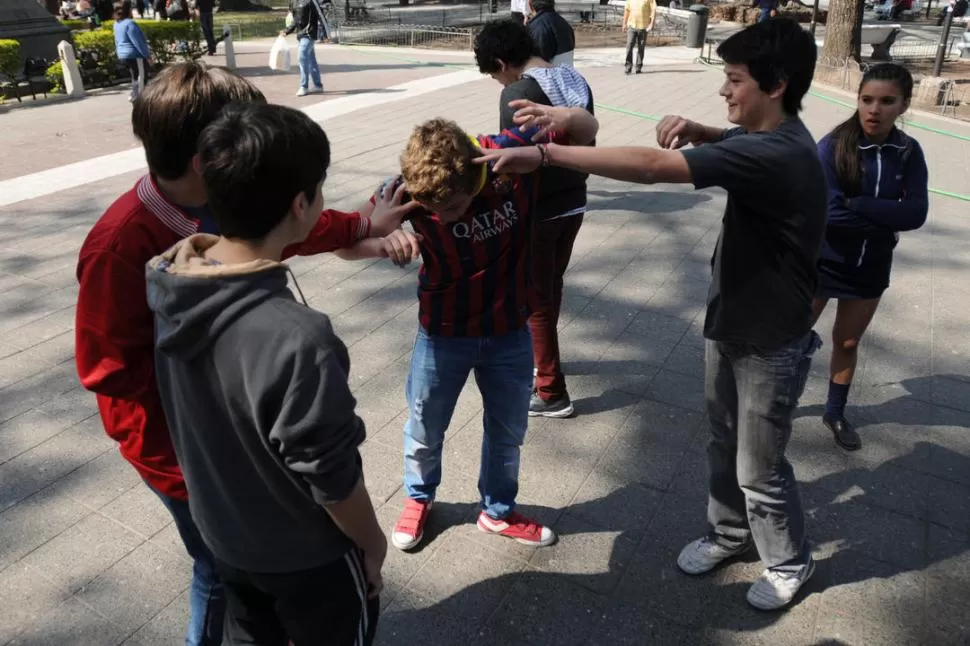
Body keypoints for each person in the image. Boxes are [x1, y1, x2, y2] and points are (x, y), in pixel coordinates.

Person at [475, 18, 825, 610]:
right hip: (732, 317)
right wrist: (705, 129)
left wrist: (546, 152)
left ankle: (790, 561)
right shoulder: (770, 138)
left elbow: (653, 166)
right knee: (723, 441)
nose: (724, 91)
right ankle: (731, 534)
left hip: (771, 338)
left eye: (734, 81)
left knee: (759, 465)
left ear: (776, 85)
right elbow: (735, 142)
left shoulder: (779, 153)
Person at [74, 62, 415, 646]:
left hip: (234, 442)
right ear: (212, 159)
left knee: (242, 581)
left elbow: (288, 226)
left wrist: (363, 225)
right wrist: (216, 408)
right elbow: (107, 370)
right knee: (217, 568)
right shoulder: (120, 245)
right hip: (182, 456)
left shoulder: (224, 208)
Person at [341, 112, 598, 553]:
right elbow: (344, 243)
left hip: (509, 331)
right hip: (443, 333)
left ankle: (497, 511)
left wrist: (568, 116)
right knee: (425, 425)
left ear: (474, 175)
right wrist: (383, 242)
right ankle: (419, 498)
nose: (442, 216)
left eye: (453, 208)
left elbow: (587, 134)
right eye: (433, 212)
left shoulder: (503, 152)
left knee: (508, 429)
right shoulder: (404, 189)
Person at [473, 18, 595, 418]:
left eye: (493, 73)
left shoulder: (519, 90)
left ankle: (550, 391)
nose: (497, 82)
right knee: (550, 287)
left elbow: (513, 162)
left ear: (501, 62)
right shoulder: (573, 79)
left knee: (533, 298)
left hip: (538, 208)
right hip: (573, 201)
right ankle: (545, 358)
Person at [813, 64, 928, 452]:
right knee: (791, 336)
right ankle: (774, 404)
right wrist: (884, 215)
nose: (874, 109)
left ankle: (835, 411)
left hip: (870, 266)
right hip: (820, 261)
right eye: (867, 99)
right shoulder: (832, 146)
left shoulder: (908, 152)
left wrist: (858, 203)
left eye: (886, 101)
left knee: (846, 341)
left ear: (903, 105)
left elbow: (915, 214)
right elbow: (825, 212)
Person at [282, 0, 323, 97]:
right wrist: (287, 31)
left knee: (302, 56)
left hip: (309, 33)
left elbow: (321, 16)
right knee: (311, 60)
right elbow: (295, 20)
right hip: (301, 34)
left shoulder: (312, 1)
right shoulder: (294, 2)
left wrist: (326, 34)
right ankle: (318, 85)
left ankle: (304, 86)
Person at [112, 0, 151, 102]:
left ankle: (135, 94)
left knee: (135, 76)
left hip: (123, 55)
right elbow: (137, 41)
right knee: (141, 76)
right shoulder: (130, 23)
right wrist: (147, 56)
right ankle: (139, 97)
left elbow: (116, 40)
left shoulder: (116, 24)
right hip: (134, 54)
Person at [528, 0, 576, 66]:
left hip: (548, 74)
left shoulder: (539, 26)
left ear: (530, 4)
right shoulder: (563, 22)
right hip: (565, 73)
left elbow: (538, 60)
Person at [623, 0, 656, 74]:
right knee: (629, 45)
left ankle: (638, 67)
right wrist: (624, 23)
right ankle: (628, 66)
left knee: (641, 47)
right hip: (632, 26)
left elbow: (653, 10)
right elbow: (627, 10)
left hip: (643, 27)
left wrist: (651, 23)